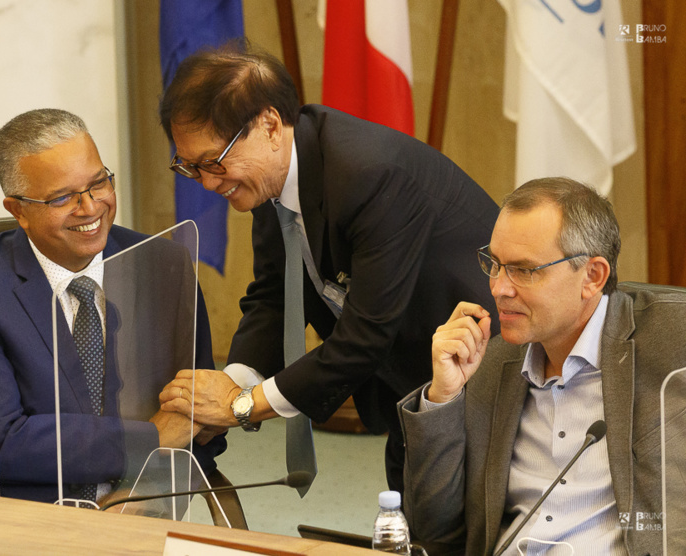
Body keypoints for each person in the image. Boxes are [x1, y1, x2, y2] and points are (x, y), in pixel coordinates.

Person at [157, 42, 499, 493]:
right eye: (190, 166)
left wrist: (242, 406)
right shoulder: (267, 178)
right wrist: (229, 381)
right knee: (416, 522)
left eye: (213, 162)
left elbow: (366, 334)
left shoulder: (369, 174)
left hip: (484, 379)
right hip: (409, 386)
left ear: (270, 125)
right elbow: (274, 296)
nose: (206, 182)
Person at [0, 109, 224, 503]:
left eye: (99, 182)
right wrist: (150, 438)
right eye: (62, 197)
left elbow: (198, 422)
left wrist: (142, 500)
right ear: (18, 211)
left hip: (139, 506)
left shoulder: (164, 265)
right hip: (16, 514)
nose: (90, 208)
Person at [400, 177, 686, 555]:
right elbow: (434, 529)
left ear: (592, 276)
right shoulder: (490, 363)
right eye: (495, 264)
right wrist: (444, 397)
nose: (499, 287)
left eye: (524, 270)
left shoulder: (670, 339)